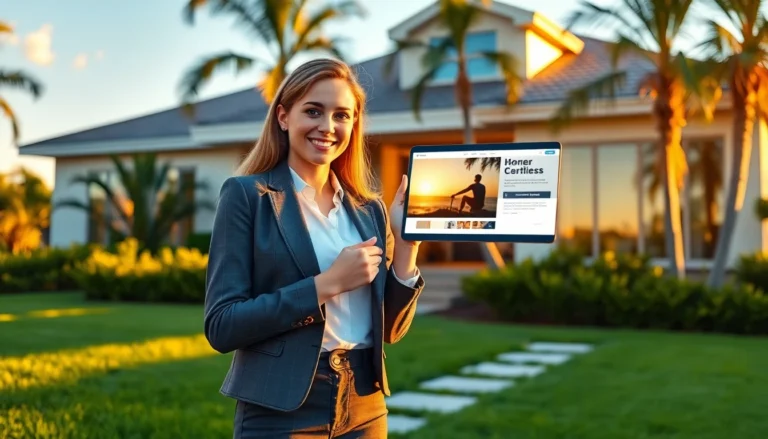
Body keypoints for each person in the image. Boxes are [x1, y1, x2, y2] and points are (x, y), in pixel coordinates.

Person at [203, 57, 426, 438]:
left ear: (354, 125)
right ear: (284, 116)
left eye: (342, 115)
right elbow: (222, 326)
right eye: (313, 111)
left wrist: (406, 248)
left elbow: (390, 330)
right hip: (279, 408)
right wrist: (327, 285)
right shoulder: (246, 196)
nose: (328, 127)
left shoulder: (368, 210)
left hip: (365, 406)